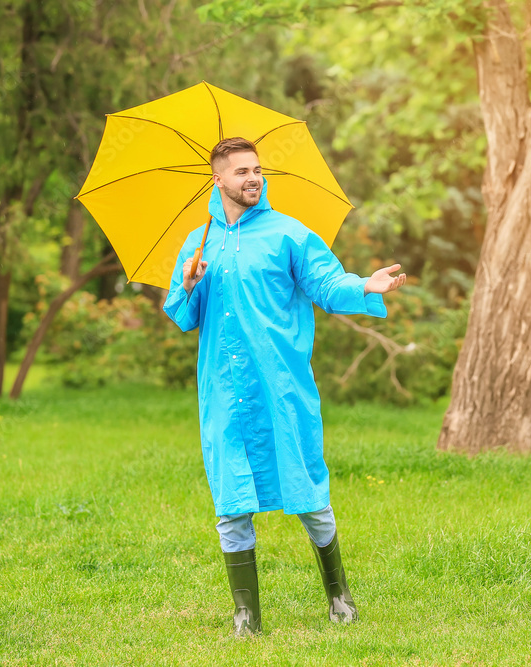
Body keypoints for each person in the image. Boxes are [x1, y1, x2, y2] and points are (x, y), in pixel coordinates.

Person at [162, 137, 406, 637]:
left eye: (257, 169)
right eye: (241, 171)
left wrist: (364, 285)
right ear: (218, 180)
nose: (253, 177)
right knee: (230, 497)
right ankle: (245, 615)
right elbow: (182, 317)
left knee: (308, 491)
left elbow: (325, 284)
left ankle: (339, 594)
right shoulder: (198, 242)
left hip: (282, 386)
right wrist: (189, 283)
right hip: (223, 392)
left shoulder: (288, 234)